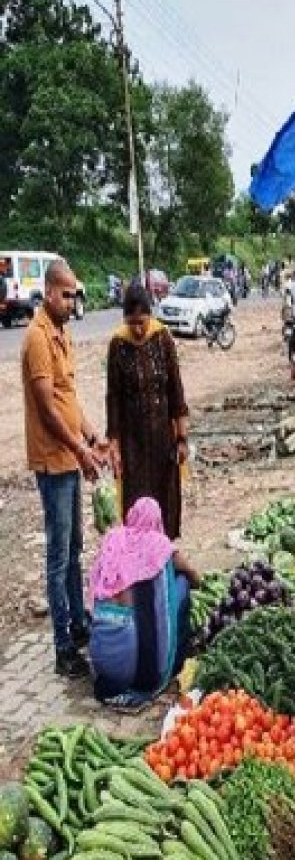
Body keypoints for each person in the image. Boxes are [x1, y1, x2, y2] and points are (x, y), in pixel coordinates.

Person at [21, 260, 105, 677]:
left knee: (74, 550)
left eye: (75, 295)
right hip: (53, 463)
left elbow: (69, 399)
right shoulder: (37, 338)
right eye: (67, 294)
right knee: (58, 557)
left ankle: (78, 622)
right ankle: (62, 648)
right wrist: (79, 449)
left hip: (70, 455)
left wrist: (92, 438)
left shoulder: (63, 335)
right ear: (50, 292)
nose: (73, 302)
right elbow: (46, 406)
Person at [88, 497, 199, 707]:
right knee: (182, 584)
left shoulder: (113, 541)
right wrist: (190, 580)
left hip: (102, 661)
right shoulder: (159, 545)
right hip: (136, 667)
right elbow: (193, 575)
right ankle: (175, 658)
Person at [106, 284, 189, 541]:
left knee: (166, 503)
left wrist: (182, 438)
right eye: (132, 323)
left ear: (150, 316)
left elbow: (176, 390)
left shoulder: (163, 338)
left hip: (163, 441)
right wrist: (114, 445)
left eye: (142, 322)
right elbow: (113, 398)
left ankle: (165, 562)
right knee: (136, 507)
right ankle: (139, 567)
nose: (138, 329)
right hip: (133, 445)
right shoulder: (118, 344)